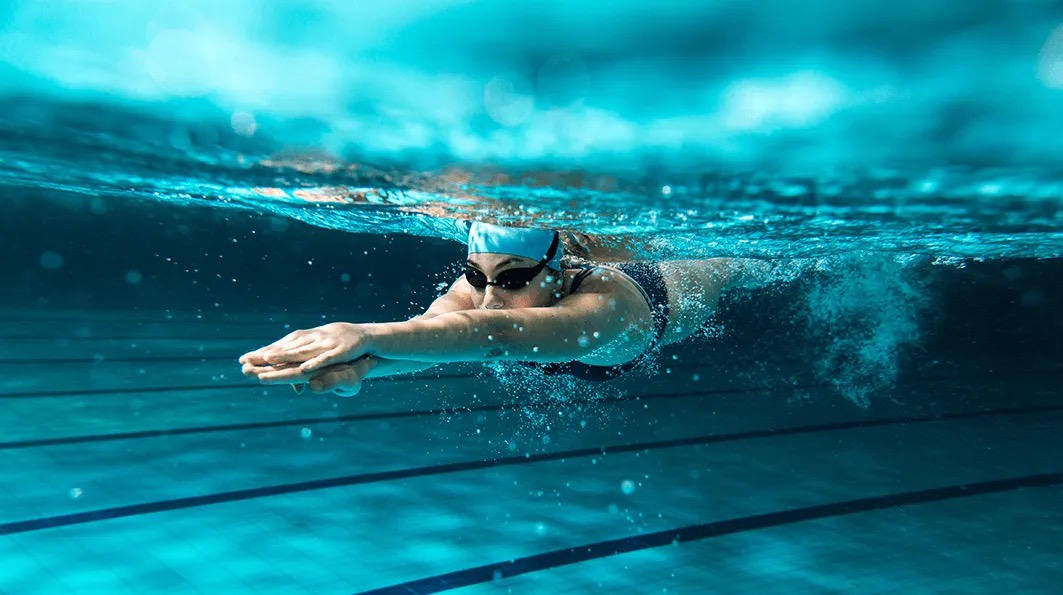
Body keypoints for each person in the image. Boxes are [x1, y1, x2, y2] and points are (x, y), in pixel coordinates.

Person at [240, 221, 763, 396]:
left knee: (735, 265)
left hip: (673, 288)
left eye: (512, 279)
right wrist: (361, 368)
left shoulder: (608, 305)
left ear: (556, 272)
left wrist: (362, 334)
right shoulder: (482, 290)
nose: (488, 297)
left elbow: (499, 334)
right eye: (476, 276)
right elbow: (428, 334)